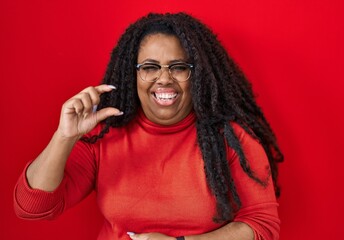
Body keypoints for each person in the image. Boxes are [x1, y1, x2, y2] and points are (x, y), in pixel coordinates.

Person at [14, 12, 283, 240]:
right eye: (150, 67)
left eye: (178, 67)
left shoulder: (230, 137)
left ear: (197, 75)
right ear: (133, 75)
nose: (163, 79)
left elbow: (262, 225)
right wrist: (64, 137)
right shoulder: (105, 134)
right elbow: (32, 208)